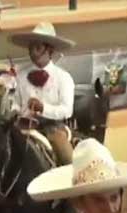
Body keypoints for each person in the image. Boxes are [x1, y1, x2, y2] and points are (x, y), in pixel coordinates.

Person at [10, 22, 77, 164]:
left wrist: (43, 108)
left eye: (38, 47)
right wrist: (15, 112)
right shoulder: (21, 76)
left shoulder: (63, 77)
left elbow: (67, 110)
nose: (33, 52)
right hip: (24, 128)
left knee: (67, 157)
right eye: (31, 47)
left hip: (53, 128)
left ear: (50, 50)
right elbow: (16, 103)